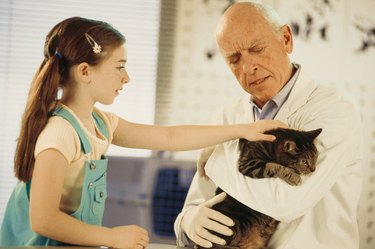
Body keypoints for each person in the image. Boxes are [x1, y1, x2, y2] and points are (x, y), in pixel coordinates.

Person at [0, 17, 286, 248]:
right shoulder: (59, 133)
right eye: (120, 67)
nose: (127, 78)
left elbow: (169, 138)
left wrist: (244, 130)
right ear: (85, 72)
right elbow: (43, 220)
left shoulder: (101, 123)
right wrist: (112, 237)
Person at [174, 2, 363, 249]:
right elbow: (198, 202)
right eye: (234, 58)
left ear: (286, 39)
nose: (248, 67)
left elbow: (286, 203)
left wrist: (217, 158)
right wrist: (188, 222)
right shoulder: (227, 116)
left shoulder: (334, 110)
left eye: (257, 48)